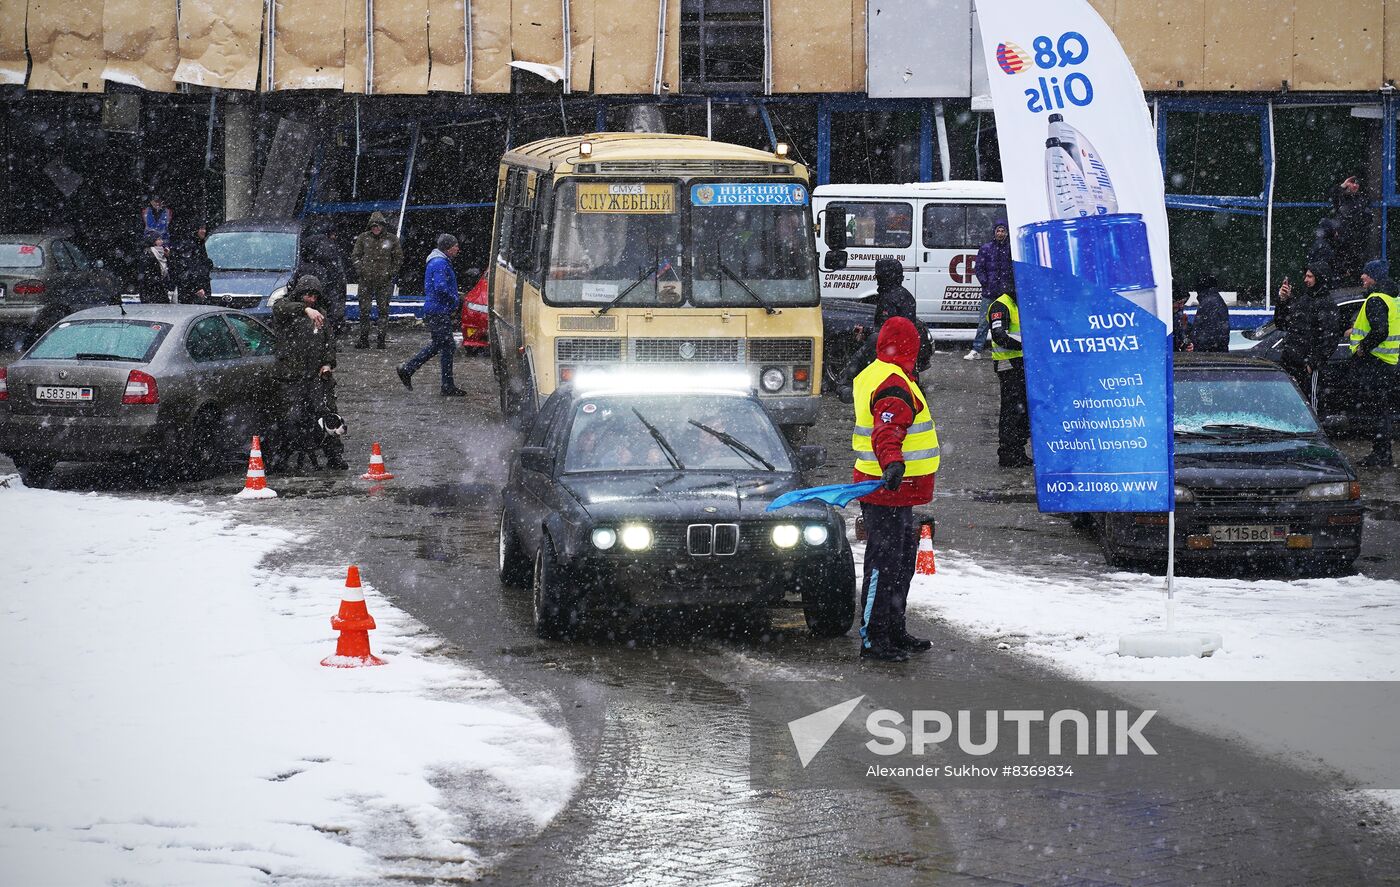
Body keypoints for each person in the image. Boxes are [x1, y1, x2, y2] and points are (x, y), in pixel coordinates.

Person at [850, 316, 940, 662]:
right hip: (886, 487)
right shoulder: (893, 382)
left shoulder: (879, 372)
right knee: (883, 565)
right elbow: (886, 431)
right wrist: (893, 464)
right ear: (909, 347)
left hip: (895, 490)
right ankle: (874, 639)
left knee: (900, 562)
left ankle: (893, 629)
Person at [271, 276, 348, 471]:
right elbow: (279, 308)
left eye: (314, 296)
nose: (311, 299)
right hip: (291, 376)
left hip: (316, 376)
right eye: (308, 295)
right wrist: (305, 309)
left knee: (328, 415)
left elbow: (329, 342)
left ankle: (334, 456)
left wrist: (328, 363)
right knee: (290, 418)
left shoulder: (321, 315)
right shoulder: (286, 308)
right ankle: (281, 458)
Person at [840, 258, 928, 391]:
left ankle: (845, 385)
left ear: (884, 276)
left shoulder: (889, 297)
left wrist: (867, 333)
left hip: (891, 354)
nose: (876, 278)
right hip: (905, 356)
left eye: (877, 274)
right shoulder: (903, 294)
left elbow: (888, 330)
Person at [397, 234, 466, 396]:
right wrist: (454, 298)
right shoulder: (440, 263)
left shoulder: (439, 262)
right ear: (448, 248)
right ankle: (443, 384)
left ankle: (411, 370)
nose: (458, 249)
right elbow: (441, 287)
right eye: (456, 246)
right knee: (446, 346)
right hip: (438, 311)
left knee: (440, 345)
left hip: (437, 310)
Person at [1347, 259, 1399, 467]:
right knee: (1382, 411)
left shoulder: (1376, 299)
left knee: (1376, 412)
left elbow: (1380, 330)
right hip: (1388, 362)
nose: (1362, 277)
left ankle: (1381, 455)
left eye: (1366, 274)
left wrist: (1362, 348)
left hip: (1375, 363)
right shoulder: (1392, 299)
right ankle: (1383, 453)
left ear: (1374, 277)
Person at [1274, 262, 1341, 398]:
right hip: (1291, 364)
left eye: (1310, 276)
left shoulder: (1326, 304)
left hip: (1305, 369)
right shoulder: (1304, 300)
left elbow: (1329, 339)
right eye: (1306, 276)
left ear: (1320, 278)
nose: (1305, 280)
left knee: (1308, 407)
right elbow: (1282, 323)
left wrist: (1311, 363)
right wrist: (1283, 300)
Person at [986, 279, 1031, 467]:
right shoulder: (1001, 305)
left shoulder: (1021, 302)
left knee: (1022, 410)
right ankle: (1008, 453)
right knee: (1011, 410)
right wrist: (1026, 344)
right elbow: (999, 335)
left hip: (1023, 363)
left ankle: (1018, 450)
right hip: (1008, 365)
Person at [351, 210, 403, 349]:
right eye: (373, 226)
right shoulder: (363, 238)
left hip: (384, 281)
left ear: (383, 226)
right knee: (364, 310)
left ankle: (381, 340)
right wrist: (361, 270)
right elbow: (355, 256)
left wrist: (390, 273)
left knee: (383, 311)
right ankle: (363, 339)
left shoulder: (392, 239)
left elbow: (398, 259)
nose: (375, 228)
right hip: (365, 281)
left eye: (378, 225)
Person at [967, 219, 1011, 360]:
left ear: (1006, 232)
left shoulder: (1011, 249)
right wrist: (985, 283)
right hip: (989, 292)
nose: (1000, 233)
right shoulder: (986, 248)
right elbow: (979, 268)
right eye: (998, 230)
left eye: (1002, 230)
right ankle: (976, 349)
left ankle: (1004, 349)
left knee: (1005, 322)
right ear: (994, 232)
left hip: (1006, 293)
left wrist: (1009, 285)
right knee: (984, 322)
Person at [300, 223, 347, 335]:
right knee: (330, 313)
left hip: (314, 284)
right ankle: (328, 337)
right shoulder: (329, 247)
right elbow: (335, 270)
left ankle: (315, 335)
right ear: (332, 234)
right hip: (328, 284)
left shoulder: (310, 242)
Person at [1331, 175, 1372, 282]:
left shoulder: (1362, 199)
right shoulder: (1341, 198)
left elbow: (1366, 219)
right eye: (1352, 183)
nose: (1355, 185)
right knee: (1341, 262)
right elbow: (1334, 195)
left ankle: (1353, 280)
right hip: (1344, 239)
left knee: (1356, 263)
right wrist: (1343, 186)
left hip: (1357, 239)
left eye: (1357, 183)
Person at [1190, 273, 1230, 353]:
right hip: (1214, 352)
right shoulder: (1214, 300)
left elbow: (1209, 333)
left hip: (1209, 354)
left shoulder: (1209, 303)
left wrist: (1198, 344)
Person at [176, 224, 213, 304]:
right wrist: (197, 287)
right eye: (201, 228)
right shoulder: (189, 245)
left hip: (199, 287)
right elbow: (188, 269)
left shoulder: (200, 244)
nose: (204, 231)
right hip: (193, 290)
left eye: (204, 228)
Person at [134, 233, 173, 304]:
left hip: (161, 289)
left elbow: (168, 270)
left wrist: (168, 256)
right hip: (150, 290)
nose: (161, 241)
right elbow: (144, 273)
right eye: (158, 239)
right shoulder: (147, 253)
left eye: (161, 239)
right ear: (153, 241)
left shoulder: (163, 253)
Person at [1171, 284, 1194, 353]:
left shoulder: (1178, 315)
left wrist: (1188, 345)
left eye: (1183, 302)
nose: (1181, 306)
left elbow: (1182, 338)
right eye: (1179, 303)